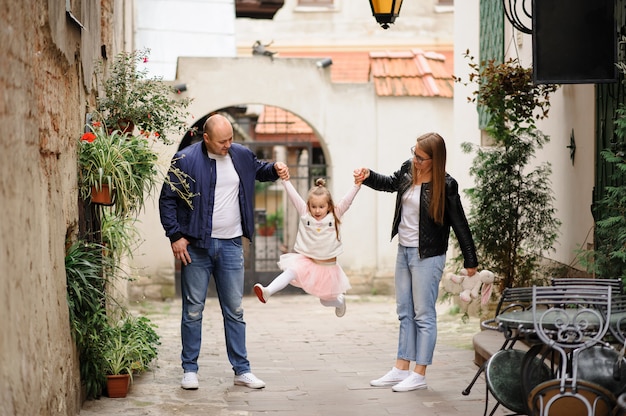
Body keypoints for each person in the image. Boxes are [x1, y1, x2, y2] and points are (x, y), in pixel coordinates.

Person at [159, 113, 289, 390]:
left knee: (235, 310)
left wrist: (276, 168)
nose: (228, 144)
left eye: (231, 139)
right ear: (206, 138)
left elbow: (258, 170)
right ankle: (190, 370)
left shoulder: (239, 154)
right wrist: (176, 236)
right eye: (222, 141)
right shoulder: (185, 159)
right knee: (193, 310)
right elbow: (167, 199)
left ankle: (242, 370)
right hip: (196, 246)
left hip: (231, 245)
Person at [354, 132, 478, 392]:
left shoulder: (446, 185)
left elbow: (460, 223)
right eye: (414, 153)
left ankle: (419, 373)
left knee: (424, 315)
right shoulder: (407, 170)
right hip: (404, 251)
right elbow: (389, 183)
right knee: (404, 312)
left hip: (429, 256)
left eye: (421, 157)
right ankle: (401, 369)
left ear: (435, 159)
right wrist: (368, 176)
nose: (415, 160)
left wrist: (471, 259)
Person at [253, 176, 362, 317]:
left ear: (329, 206)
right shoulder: (305, 214)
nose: (317, 211)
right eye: (314, 206)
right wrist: (285, 181)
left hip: (327, 268)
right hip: (308, 262)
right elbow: (294, 197)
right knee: (290, 271)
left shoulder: (335, 214)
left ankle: (340, 301)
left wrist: (357, 185)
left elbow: (347, 201)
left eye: (321, 207)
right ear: (308, 205)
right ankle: (267, 291)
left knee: (325, 301)